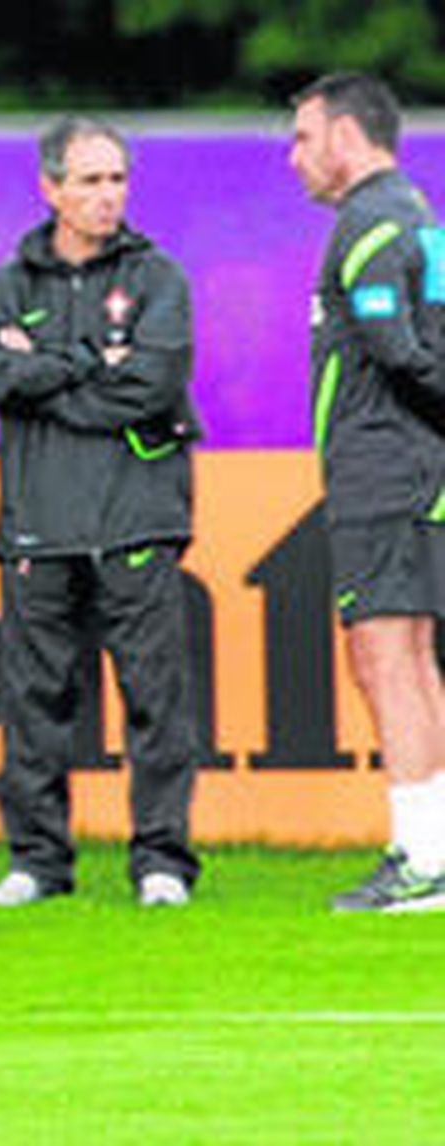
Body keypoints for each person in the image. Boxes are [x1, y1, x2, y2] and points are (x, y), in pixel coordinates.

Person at [0, 116, 202, 909]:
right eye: (91, 181)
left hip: (138, 516)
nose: (108, 196)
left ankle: (162, 862)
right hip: (40, 521)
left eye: (118, 180)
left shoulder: (159, 276)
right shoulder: (9, 283)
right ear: (51, 188)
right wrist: (88, 362)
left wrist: (50, 374)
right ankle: (37, 863)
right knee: (34, 701)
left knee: (155, 699)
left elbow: (152, 383)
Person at [289, 73, 445, 912]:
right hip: (414, 471)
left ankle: (423, 860)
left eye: (304, 138)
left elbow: (402, 353)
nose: (294, 158)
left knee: (388, 656)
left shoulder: (370, 222)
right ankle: (434, 850)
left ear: (346, 137)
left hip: (385, 474)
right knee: (410, 654)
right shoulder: (420, 215)